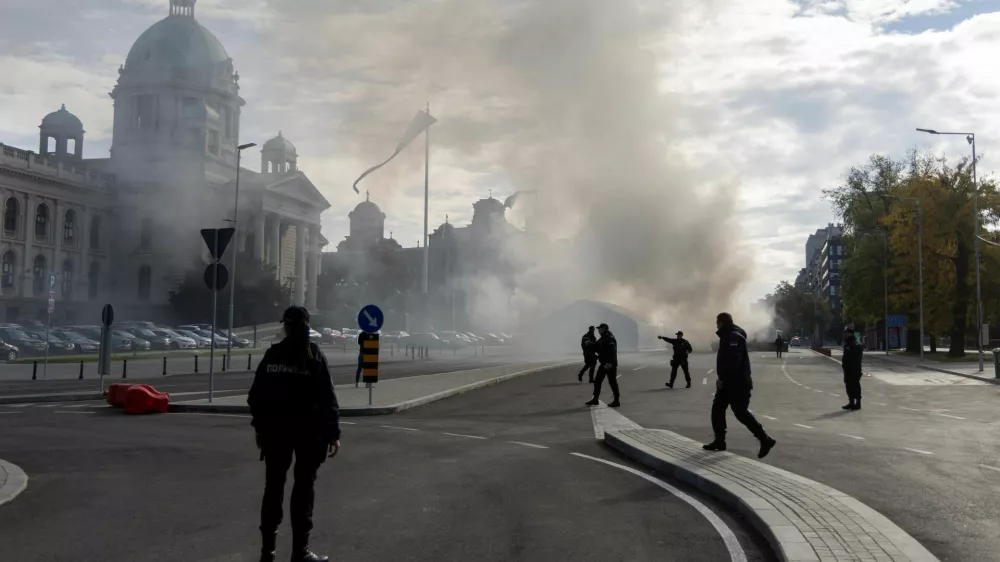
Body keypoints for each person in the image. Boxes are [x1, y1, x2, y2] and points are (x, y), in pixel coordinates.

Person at [248, 306, 342, 562]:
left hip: (276, 432)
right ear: (308, 327)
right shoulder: (314, 355)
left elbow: (256, 396)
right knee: (303, 488)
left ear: (285, 327)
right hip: (309, 434)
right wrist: (333, 433)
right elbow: (327, 397)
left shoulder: (273, 354)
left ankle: (267, 552)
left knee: (273, 487)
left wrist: (260, 427)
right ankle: (300, 552)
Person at [703, 312, 776, 459]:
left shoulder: (733, 337)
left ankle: (765, 439)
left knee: (740, 412)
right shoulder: (728, 335)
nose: (716, 325)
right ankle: (720, 440)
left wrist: (723, 379)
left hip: (737, 383)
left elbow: (733, 362)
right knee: (718, 409)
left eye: (717, 323)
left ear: (722, 322)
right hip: (730, 383)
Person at [585, 323, 620, 408]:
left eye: (599, 329)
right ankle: (596, 399)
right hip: (605, 363)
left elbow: (612, 350)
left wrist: (609, 362)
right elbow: (597, 346)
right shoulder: (603, 337)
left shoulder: (609, 337)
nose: (598, 330)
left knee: (611, 382)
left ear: (604, 329)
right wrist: (590, 343)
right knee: (599, 381)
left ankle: (616, 400)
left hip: (609, 364)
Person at [841, 327, 864, 410]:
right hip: (847, 369)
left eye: (846, 332)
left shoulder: (856, 344)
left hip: (854, 369)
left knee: (855, 385)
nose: (845, 334)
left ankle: (858, 403)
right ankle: (851, 402)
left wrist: (852, 366)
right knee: (848, 385)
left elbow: (856, 358)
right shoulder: (847, 343)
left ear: (850, 333)